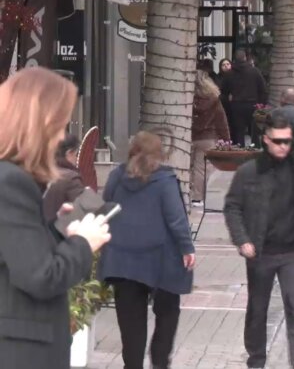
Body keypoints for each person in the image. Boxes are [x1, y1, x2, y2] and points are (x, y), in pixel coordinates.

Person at [0, 67, 111, 369]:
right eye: (60, 124)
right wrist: (82, 243)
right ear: (39, 124)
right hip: (21, 353)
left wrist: (55, 230)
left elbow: (16, 254)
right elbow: (40, 276)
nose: (62, 136)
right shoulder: (11, 182)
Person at [223, 113, 294, 369]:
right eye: (278, 141)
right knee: (258, 309)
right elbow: (232, 207)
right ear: (266, 140)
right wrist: (242, 240)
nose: (283, 146)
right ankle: (256, 360)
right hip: (261, 252)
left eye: (287, 141)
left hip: (293, 252)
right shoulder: (249, 171)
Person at [99, 131, 196, 369]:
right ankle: (159, 361)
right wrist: (187, 248)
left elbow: (106, 207)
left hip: (122, 259)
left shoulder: (116, 176)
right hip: (161, 259)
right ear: (160, 154)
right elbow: (176, 218)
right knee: (168, 313)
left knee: (130, 322)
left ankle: (133, 365)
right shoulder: (164, 180)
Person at [191, 70, 230, 207]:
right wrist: (226, 140)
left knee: (189, 167)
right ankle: (201, 197)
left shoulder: (187, 98)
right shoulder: (213, 99)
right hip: (207, 138)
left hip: (188, 136)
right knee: (204, 168)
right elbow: (221, 121)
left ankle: (190, 194)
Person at [221, 49, 268, 147]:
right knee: (254, 131)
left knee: (239, 131)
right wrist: (261, 104)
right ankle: (255, 149)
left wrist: (229, 102)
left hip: (236, 105)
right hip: (253, 105)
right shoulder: (254, 71)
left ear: (234, 59)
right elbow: (263, 89)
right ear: (245, 58)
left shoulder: (229, 74)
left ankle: (240, 149)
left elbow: (224, 92)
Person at [42, 134, 85, 222]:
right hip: (63, 229)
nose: (76, 158)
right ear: (69, 153)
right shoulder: (71, 178)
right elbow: (86, 210)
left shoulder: (40, 174)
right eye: (76, 155)